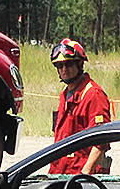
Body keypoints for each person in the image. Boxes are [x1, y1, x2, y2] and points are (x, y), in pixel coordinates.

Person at [47, 38, 112, 177]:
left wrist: (84, 175)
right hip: (60, 173)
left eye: (69, 64)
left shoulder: (93, 95)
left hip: (82, 178)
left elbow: (101, 142)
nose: (64, 69)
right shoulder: (64, 96)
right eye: (60, 65)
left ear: (80, 63)